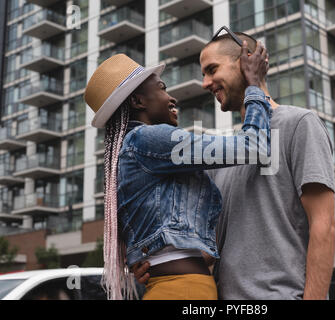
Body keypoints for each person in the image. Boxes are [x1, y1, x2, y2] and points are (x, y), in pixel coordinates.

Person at [133, 31, 335, 300]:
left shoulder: (299, 124)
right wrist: (156, 264)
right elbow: (209, 252)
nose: (205, 83)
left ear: (246, 61)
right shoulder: (223, 156)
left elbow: (324, 225)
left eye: (212, 69)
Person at [84, 41, 272, 300]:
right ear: (138, 100)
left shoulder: (132, 152)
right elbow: (254, 147)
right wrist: (254, 85)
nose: (171, 97)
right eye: (161, 89)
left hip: (174, 287)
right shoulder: (148, 140)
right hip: (182, 290)